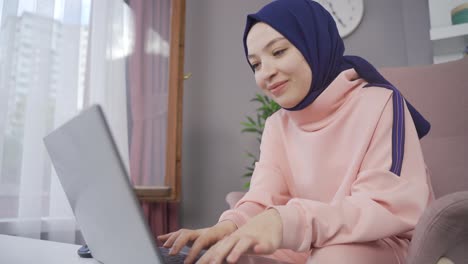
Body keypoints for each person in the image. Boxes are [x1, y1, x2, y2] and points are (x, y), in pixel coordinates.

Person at [158, 0, 434, 263]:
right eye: (256, 64)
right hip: (307, 244)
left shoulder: (380, 102)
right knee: (226, 255)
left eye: (278, 52)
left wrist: (290, 221)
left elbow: (384, 206)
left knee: (335, 256)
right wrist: (228, 227)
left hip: (382, 242)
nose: (266, 73)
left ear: (313, 44)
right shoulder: (277, 125)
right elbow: (263, 198)